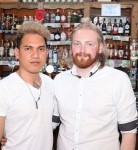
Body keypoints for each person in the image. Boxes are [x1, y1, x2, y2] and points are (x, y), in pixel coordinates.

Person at [53, 17, 138, 150]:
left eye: (89, 44)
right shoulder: (59, 80)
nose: (82, 50)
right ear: (71, 47)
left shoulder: (118, 79)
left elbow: (129, 132)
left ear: (100, 48)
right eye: (77, 43)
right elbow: (49, 123)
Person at [0, 21, 57, 150]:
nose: (35, 55)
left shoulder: (51, 85)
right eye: (28, 48)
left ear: (47, 53)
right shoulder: (2, 90)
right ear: (17, 53)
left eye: (40, 49)